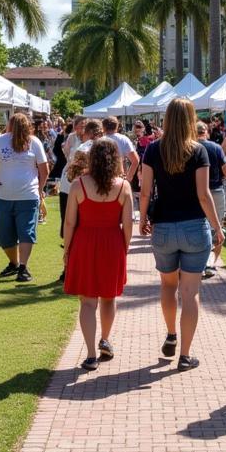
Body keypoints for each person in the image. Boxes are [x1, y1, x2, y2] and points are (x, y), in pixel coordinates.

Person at [139, 97, 224, 370]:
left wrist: (142, 218)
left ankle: (171, 334)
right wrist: (218, 227)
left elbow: (145, 189)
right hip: (195, 228)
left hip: (163, 226)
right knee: (190, 293)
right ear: (190, 119)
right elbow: (203, 194)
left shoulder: (152, 150)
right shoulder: (198, 151)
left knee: (167, 286)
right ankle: (185, 355)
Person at [62, 138, 133, 369]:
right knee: (109, 296)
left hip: (84, 243)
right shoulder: (123, 187)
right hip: (112, 242)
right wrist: (125, 247)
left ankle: (91, 354)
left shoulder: (78, 185)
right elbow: (128, 224)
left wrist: (68, 250)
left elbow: (70, 222)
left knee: (88, 302)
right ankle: (105, 339)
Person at [0, 112, 49, 283]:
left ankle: (22, 266)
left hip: (23, 196)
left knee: (22, 233)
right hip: (9, 196)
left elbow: (44, 169)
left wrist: (38, 190)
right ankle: (16, 264)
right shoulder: (2, 141)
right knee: (7, 235)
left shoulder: (33, 142)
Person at [196, 121, 226, 277]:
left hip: (195, 192)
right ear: (207, 132)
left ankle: (199, 263)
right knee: (217, 227)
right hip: (215, 191)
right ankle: (212, 263)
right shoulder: (216, 148)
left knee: (197, 226)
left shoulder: (190, 148)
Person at [58, 116, 86, 240]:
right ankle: (67, 237)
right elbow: (67, 154)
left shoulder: (90, 139)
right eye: (80, 125)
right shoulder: (71, 137)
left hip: (84, 180)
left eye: (84, 125)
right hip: (69, 177)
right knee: (66, 209)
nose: (82, 128)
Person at [102, 116, 140, 183]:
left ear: (103, 127)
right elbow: (135, 160)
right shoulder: (123, 139)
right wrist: (128, 179)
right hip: (119, 178)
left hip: (102, 178)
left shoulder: (99, 140)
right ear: (117, 126)